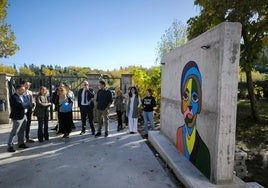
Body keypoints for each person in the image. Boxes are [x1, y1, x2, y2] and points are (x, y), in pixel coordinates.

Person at [176, 61, 211, 179]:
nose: (189, 105)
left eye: (195, 98)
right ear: (181, 103)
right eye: (185, 97)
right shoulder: (179, 133)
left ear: (200, 104)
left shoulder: (204, 153)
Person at [7, 85, 30, 152]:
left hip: (24, 115)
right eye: (22, 90)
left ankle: (21, 143)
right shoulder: (14, 97)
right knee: (14, 132)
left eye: (24, 89)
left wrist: (26, 104)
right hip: (17, 117)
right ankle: (10, 146)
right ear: (17, 90)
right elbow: (21, 105)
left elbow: (29, 103)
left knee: (22, 131)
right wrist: (26, 104)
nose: (24, 91)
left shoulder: (24, 96)